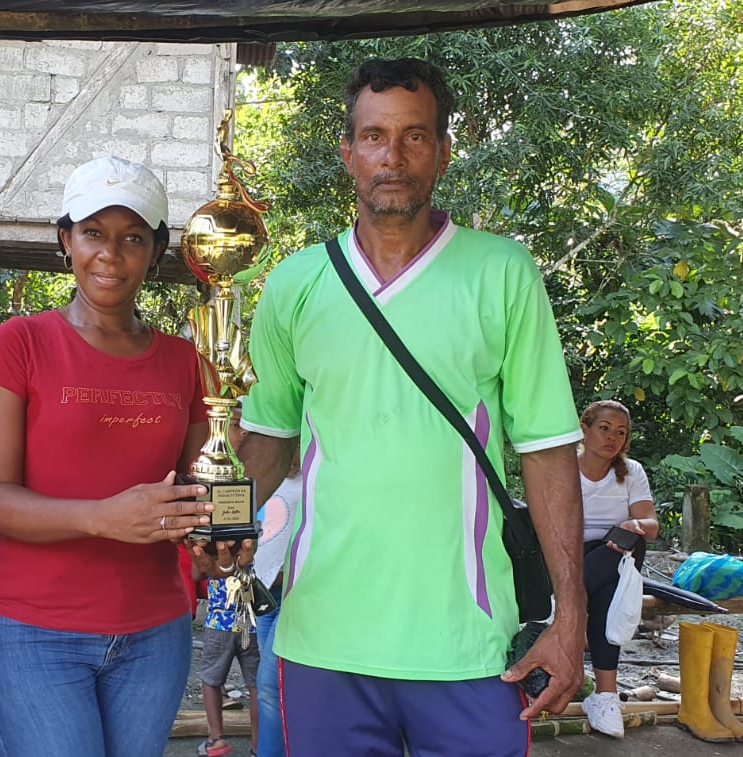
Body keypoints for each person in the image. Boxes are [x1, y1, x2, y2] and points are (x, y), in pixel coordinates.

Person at [235, 57, 588, 755]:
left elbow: (546, 451)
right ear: (347, 153)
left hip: (470, 642)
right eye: (374, 136)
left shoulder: (502, 272)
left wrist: (570, 616)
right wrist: (217, 525)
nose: (392, 157)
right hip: (324, 637)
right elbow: (268, 440)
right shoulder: (296, 284)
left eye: (414, 136)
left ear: (444, 152)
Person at [0, 155, 247, 756]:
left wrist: (223, 538)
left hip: (155, 632)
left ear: (157, 250)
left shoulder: (186, 361)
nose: (111, 255)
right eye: (93, 233)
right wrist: (104, 517)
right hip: (37, 631)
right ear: (66, 240)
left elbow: (202, 487)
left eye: (133, 238)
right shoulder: (18, 345)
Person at [576, 399, 657, 737]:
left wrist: (633, 525)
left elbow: (651, 525)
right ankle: (605, 695)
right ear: (585, 429)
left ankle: (559, 609)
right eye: (604, 429)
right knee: (607, 596)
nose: (612, 438)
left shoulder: (631, 471)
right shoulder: (563, 466)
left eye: (620, 433)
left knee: (627, 544)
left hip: (617, 554)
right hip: (571, 557)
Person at [251, 461, 300, 757]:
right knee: (274, 685)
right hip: (263, 595)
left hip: (295, 593)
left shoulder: (311, 475)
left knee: (269, 684)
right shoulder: (268, 473)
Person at [198, 576, 259, 757]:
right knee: (256, 685)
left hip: (219, 622)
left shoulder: (213, 555)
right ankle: (259, 746)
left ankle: (216, 739)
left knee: (211, 681)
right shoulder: (254, 556)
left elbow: (197, 574)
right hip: (251, 623)